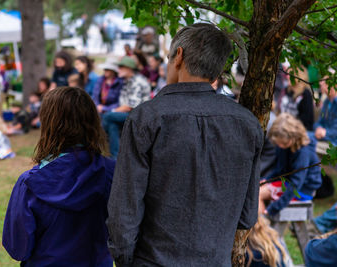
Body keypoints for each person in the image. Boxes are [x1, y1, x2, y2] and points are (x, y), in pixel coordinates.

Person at [106, 23, 264, 266]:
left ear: (178, 56)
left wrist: (125, 259)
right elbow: (247, 215)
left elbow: (124, 212)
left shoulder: (147, 118)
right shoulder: (248, 124)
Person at [3, 87, 115, 266]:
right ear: (93, 120)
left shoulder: (29, 183)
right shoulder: (113, 172)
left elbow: (18, 247)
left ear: (48, 124)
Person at [259, 113, 322, 216]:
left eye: (283, 143)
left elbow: (296, 183)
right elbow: (280, 170)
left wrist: (274, 208)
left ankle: (260, 230)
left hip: (303, 189)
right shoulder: (285, 146)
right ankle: (259, 227)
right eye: (278, 143)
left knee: (258, 194)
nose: (280, 146)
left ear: (293, 136)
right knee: (256, 190)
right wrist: (267, 179)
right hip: (289, 182)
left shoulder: (303, 152)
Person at [102, 56, 150, 159]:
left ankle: (99, 144)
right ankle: (116, 158)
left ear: (129, 68)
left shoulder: (137, 81)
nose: (118, 70)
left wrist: (112, 111)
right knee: (111, 124)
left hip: (139, 116)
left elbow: (130, 107)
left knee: (107, 117)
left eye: (121, 67)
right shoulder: (127, 80)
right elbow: (122, 103)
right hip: (129, 114)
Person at [312, 69, 337, 154]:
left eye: (325, 81)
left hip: (333, 143)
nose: (320, 83)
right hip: (324, 137)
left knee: (305, 142)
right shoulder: (327, 101)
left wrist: (324, 133)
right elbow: (319, 121)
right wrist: (318, 128)